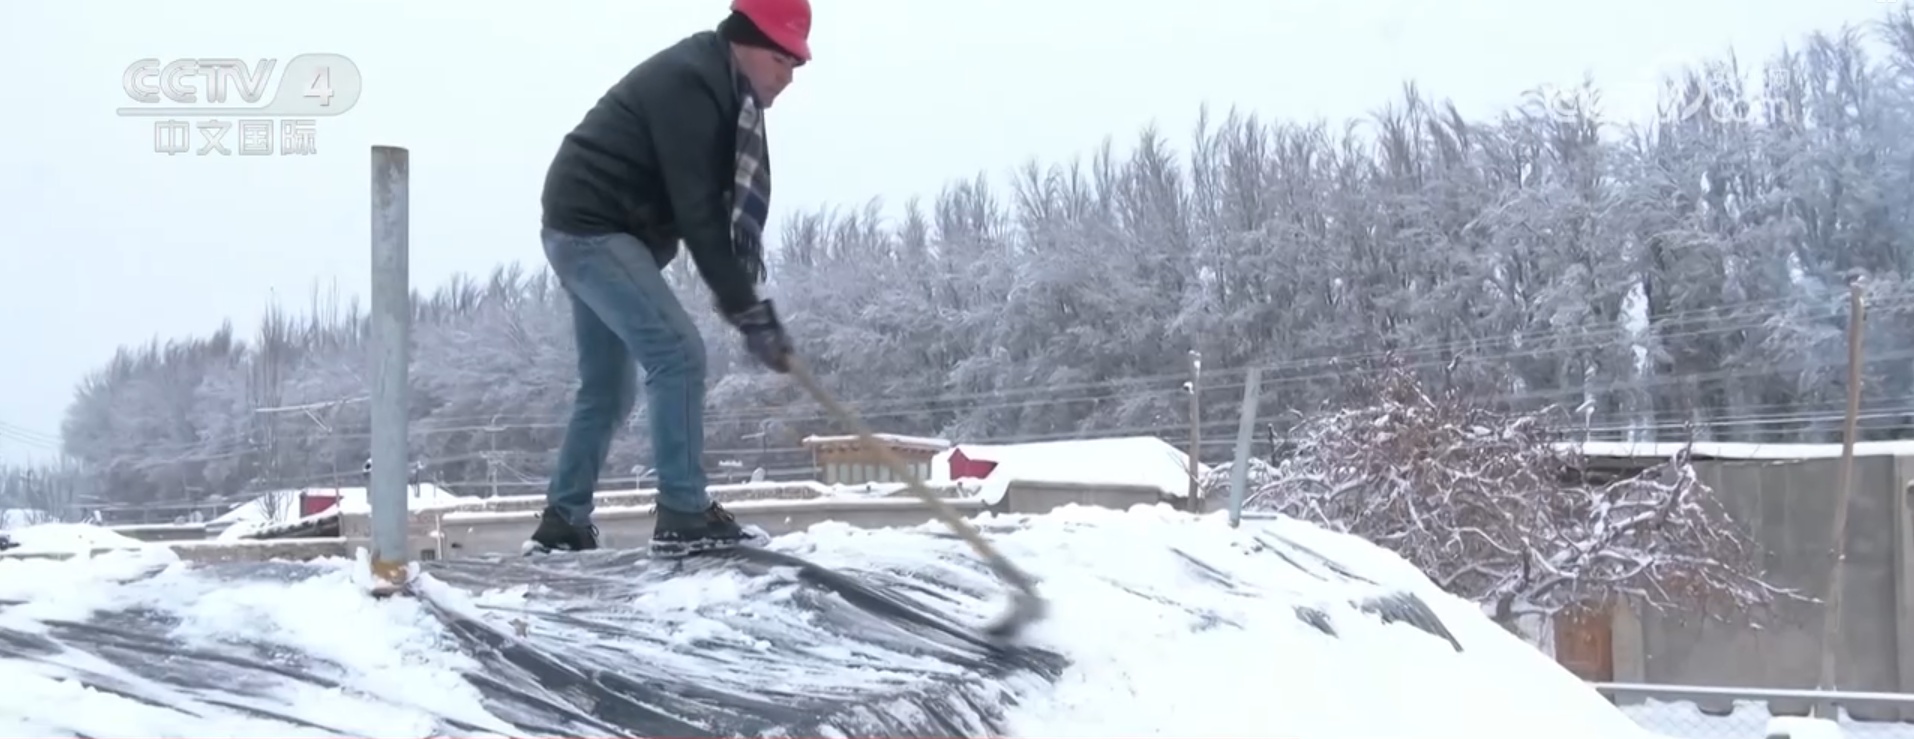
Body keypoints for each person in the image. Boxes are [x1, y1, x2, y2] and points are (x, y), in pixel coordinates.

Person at [525, 0, 811, 558]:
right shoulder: (692, 84)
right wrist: (745, 307)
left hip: (588, 229)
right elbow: (698, 209)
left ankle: (564, 520)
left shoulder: (719, 87)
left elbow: (707, 211)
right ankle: (683, 510)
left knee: (608, 388)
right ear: (752, 42)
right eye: (785, 61)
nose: (789, 78)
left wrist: (746, 303)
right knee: (678, 354)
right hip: (593, 229)